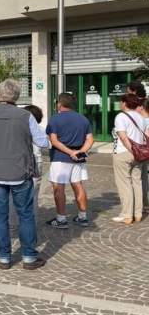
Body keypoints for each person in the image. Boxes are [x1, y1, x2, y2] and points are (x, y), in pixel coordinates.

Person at [0, 79, 50, 270]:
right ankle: (29, 257)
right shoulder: (25, 116)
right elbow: (43, 142)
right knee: (26, 215)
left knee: (0, 216)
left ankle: (4, 257)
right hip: (20, 171)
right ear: (16, 96)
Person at [44, 93, 94, 229]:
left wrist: (70, 152)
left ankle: (61, 219)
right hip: (78, 158)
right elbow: (90, 140)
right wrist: (80, 151)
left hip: (60, 157)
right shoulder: (83, 119)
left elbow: (54, 141)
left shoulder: (55, 119)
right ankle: (82, 217)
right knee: (78, 185)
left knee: (59, 187)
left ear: (59, 104)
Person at [112, 93, 149, 224]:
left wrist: (132, 150)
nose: (120, 104)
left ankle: (126, 214)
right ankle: (138, 213)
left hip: (124, 152)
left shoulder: (121, 116)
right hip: (139, 154)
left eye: (121, 102)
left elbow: (123, 137)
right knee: (137, 182)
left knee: (124, 183)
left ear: (125, 103)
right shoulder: (140, 117)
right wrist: (137, 152)